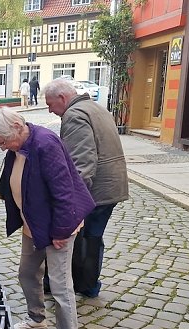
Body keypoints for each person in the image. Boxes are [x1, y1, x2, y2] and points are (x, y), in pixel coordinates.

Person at [0, 109, 95, 329]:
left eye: (3, 141)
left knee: (60, 286)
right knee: (27, 273)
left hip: (58, 227)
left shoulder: (45, 144)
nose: (2, 148)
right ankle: (37, 318)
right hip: (33, 224)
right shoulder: (18, 146)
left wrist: (61, 231)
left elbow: (64, 191)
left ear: (16, 126)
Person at [43, 78, 129, 297]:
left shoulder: (74, 115)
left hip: (96, 191)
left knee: (83, 238)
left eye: (50, 104)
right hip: (111, 186)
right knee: (93, 236)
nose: (50, 110)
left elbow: (81, 163)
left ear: (62, 98)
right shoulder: (94, 108)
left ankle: (82, 284)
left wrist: (71, 201)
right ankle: (88, 284)